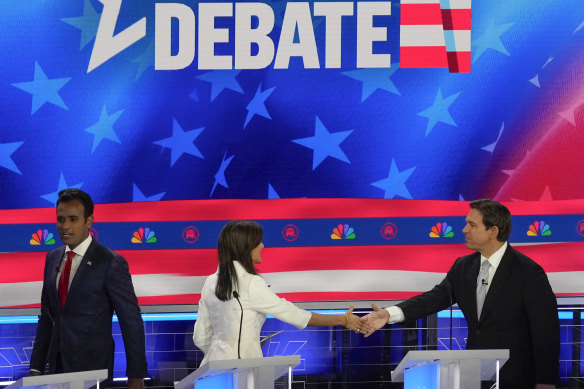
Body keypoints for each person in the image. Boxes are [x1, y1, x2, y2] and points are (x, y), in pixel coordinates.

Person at [360, 199, 560, 389]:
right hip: (474, 376)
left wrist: (546, 381)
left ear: (493, 231)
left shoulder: (527, 272)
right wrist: (388, 314)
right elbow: (433, 299)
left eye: (472, 225)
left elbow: (546, 331)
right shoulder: (463, 267)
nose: (464, 230)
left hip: (518, 378)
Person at [193, 220, 362, 363]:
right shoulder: (250, 283)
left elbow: (200, 337)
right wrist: (343, 319)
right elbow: (296, 316)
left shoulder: (209, 282)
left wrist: (226, 350)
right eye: (258, 242)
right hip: (241, 373)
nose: (262, 246)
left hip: (210, 371)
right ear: (246, 248)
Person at [29, 189, 147, 388]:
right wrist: (36, 368)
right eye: (61, 219)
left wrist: (136, 376)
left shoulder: (110, 262)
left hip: (94, 371)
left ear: (89, 222)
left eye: (73, 219)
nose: (65, 226)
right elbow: (46, 317)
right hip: (56, 369)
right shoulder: (52, 259)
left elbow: (131, 321)